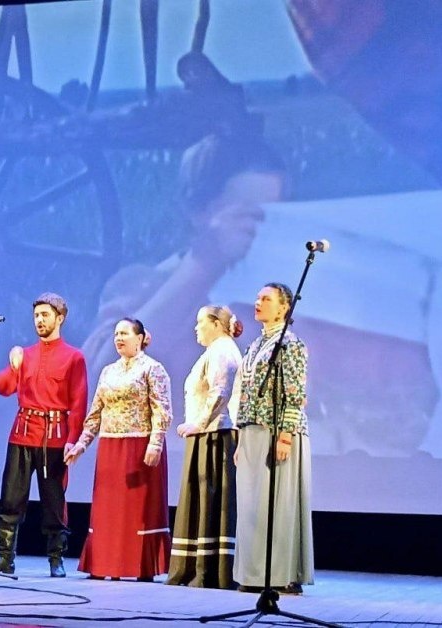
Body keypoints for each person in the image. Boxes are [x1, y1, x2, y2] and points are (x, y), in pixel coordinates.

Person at [81, 132, 286, 389]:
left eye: (276, 214)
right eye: (244, 214)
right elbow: (104, 376)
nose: (258, 228)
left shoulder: (288, 295)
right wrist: (206, 260)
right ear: (198, 211)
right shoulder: (144, 285)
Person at [0, 293, 89, 578]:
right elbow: (3, 388)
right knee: (11, 497)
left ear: (60, 318)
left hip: (55, 437)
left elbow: (79, 403)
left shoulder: (74, 357)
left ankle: (56, 559)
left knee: (54, 501)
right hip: (22, 434)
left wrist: (74, 440)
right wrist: (13, 366)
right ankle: (5, 558)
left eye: (45, 315)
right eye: (36, 316)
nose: (39, 320)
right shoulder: (25, 354)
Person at [65, 318, 172, 582]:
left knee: (135, 509)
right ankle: (105, 564)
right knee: (109, 508)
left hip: (139, 446)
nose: (118, 338)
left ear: (140, 338)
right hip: (110, 447)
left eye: (124, 333)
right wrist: (81, 444)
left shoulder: (152, 368)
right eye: (116, 334)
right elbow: (96, 412)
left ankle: (139, 566)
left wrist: (156, 442)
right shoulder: (108, 371)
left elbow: (162, 409)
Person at [233, 283, 313, 595]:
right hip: (252, 431)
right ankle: (254, 574)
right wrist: (241, 436)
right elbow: (246, 393)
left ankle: (281, 574)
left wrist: (286, 436)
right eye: (257, 298)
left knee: (279, 504)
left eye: (266, 299)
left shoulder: (291, 344)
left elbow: (296, 392)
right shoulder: (256, 345)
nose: (258, 302)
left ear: (284, 307)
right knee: (252, 505)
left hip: (278, 431)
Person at [166, 305, 243, 588]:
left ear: (216, 324)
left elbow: (220, 392)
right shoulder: (214, 351)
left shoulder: (223, 351)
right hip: (207, 433)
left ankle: (209, 570)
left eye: (200, 322)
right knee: (200, 498)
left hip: (215, 435)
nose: (196, 327)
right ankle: (194, 568)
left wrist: (199, 423)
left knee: (211, 500)